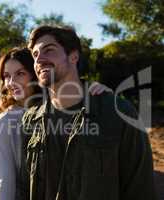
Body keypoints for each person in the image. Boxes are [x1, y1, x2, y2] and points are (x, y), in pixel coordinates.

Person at [19, 25, 157, 200]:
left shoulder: (118, 112)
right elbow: (24, 186)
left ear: (73, 56)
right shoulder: (30, 120)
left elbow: (140, 188)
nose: (39, 60)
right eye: (35, 55)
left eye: (49, 50)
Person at [0, 47, 112, 200]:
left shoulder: (57, 108)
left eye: (20, 74)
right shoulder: (6, 122)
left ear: (35, 74)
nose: (11, 82)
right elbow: (4, 183)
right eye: (6, 76)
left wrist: (100, 95)